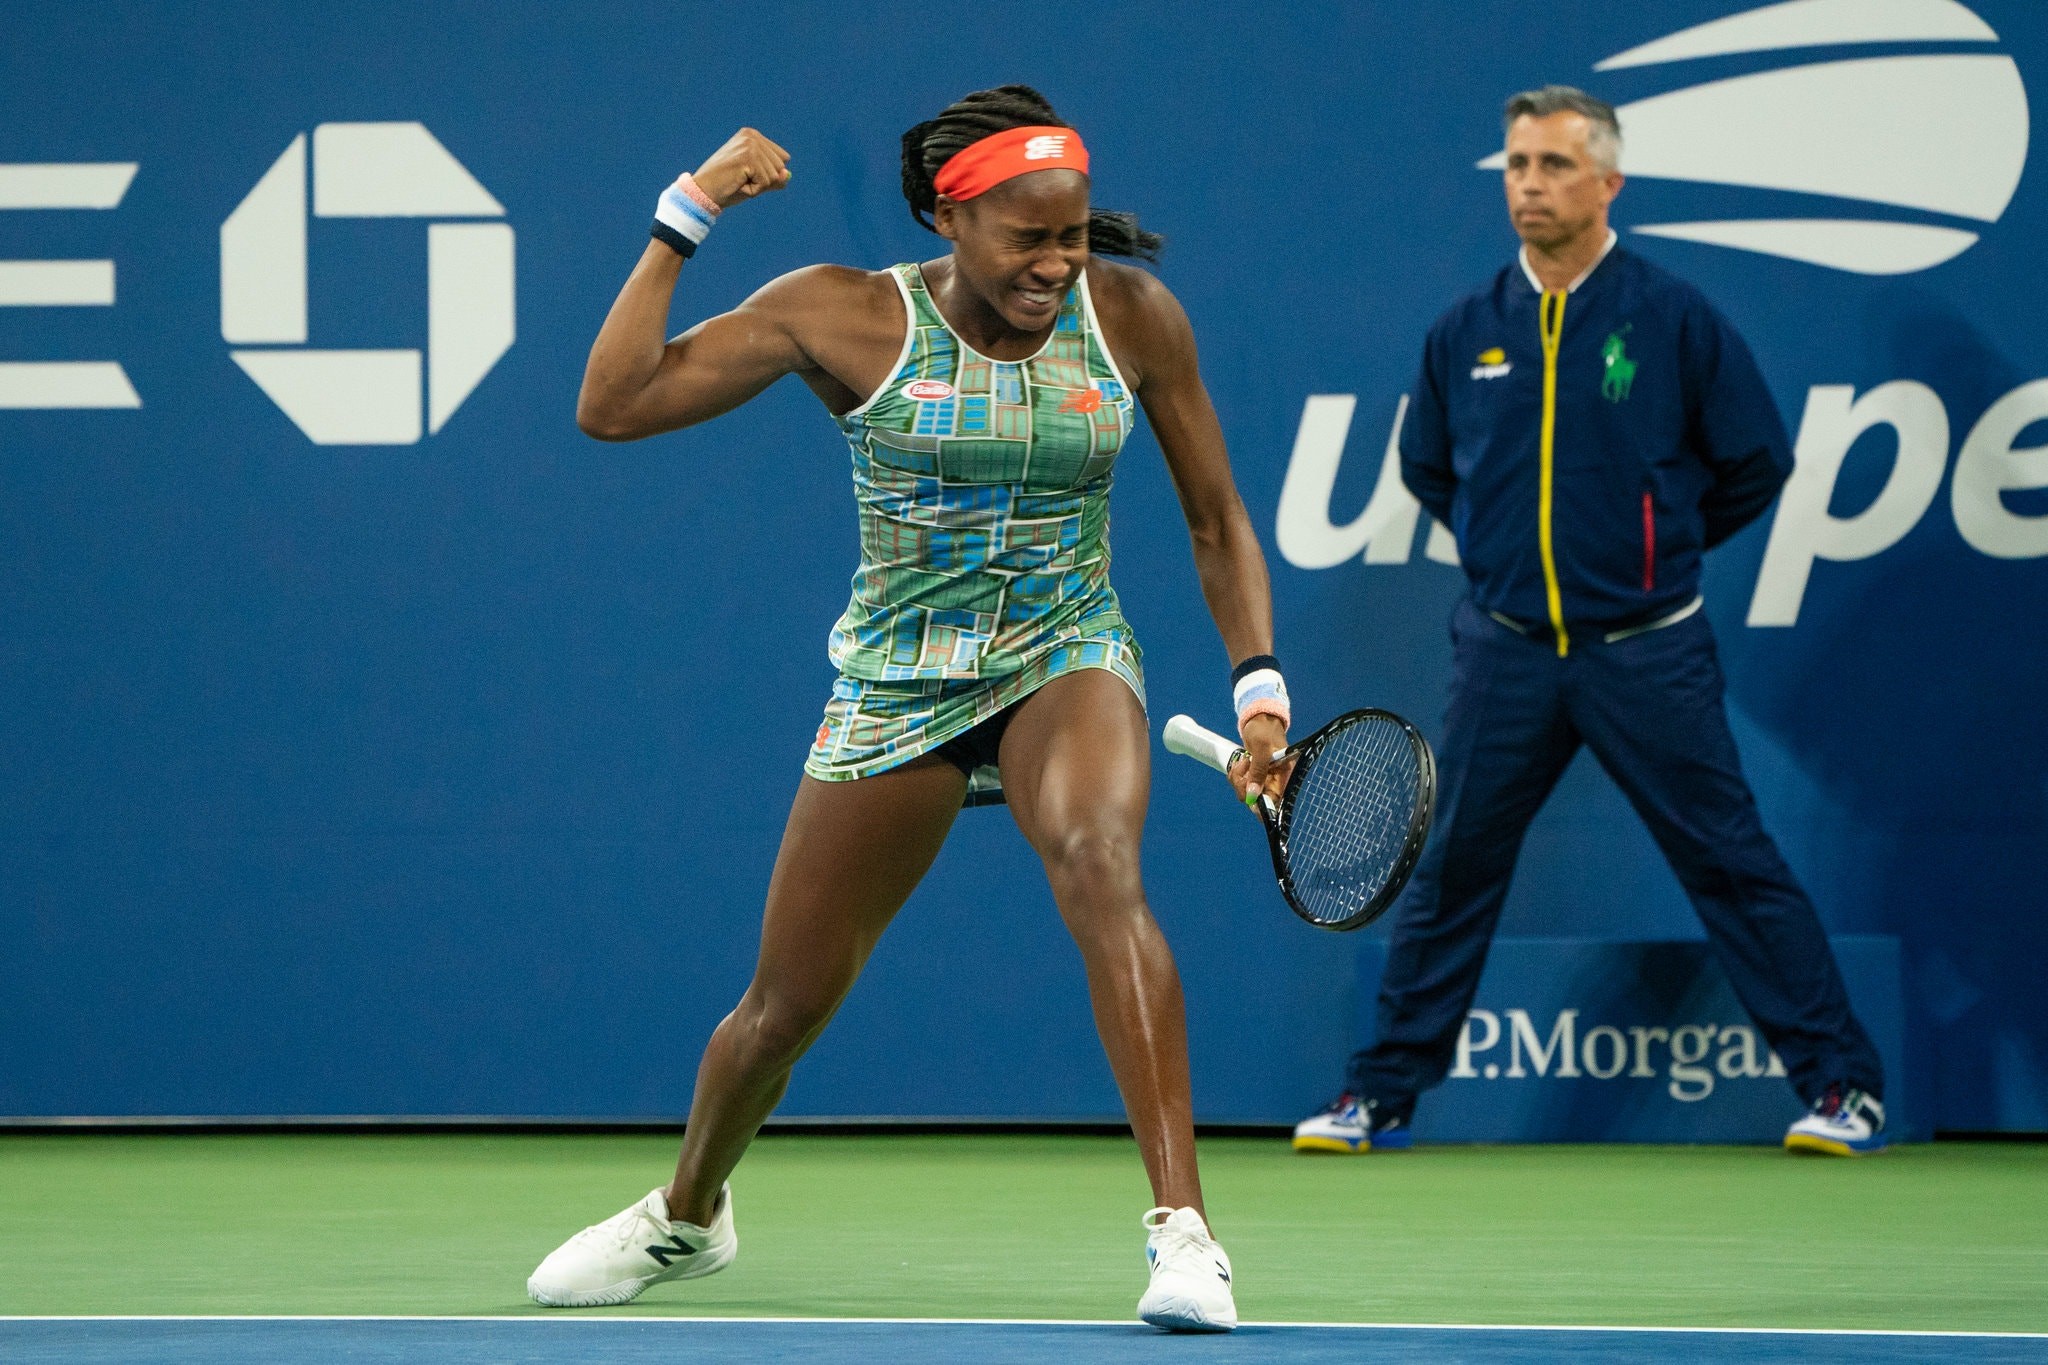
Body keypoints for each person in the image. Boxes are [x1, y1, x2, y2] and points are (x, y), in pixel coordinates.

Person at [526, 85, 1293, 1331]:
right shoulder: (838, 314)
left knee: (1101, 864)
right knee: (782, 1007)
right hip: (898, 678)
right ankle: (688, 1212)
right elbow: (612, 405)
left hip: (1065, 650)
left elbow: (1214, 521)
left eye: (1073, 235)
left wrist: (1258, 687)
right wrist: (688, 211)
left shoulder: (1133, 318)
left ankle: (1185, 1235)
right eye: (1025, 239)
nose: (1055, 264)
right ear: (950, 216)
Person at [1293, 86, 1886, 1160]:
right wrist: (1502, 563)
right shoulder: (1465, 330)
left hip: (1646, 649)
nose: (1529, 184)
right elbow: (1430, 469)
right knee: (1451, 873)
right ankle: (1375, 1097)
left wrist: (1653, 556)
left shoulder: (1671, 318)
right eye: (1516, 164)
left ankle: (1841, 1089)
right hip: (1505, 653)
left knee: (1730, 863)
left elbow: (1753, 463)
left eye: (1554, 165)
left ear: (1608, 182)